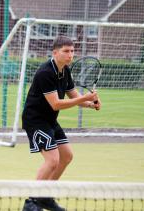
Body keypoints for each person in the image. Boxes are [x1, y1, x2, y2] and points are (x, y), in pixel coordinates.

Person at [21, 36, 101, 211]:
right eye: (66, 51)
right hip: (35, 120)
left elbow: (74, 97)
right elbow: (56, 104)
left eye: (72, 51)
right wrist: (86, 97)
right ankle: (31, 201)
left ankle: (45, 196)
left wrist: (89, 104)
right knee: (52, 161)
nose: (70, 55)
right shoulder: (45, 73)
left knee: (66, 157)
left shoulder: (65, 71)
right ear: (55, 52)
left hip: (50, 120)